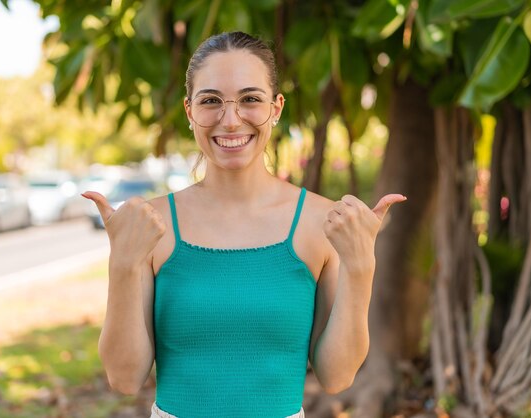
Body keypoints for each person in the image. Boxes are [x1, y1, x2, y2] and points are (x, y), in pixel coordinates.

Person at [82, 31, 406, 418]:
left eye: (250, 99)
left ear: (277, 107)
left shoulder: (321, 223)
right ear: (189, 111)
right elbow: (124, 377)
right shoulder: (153, 225)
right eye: (211, 101)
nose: (231, 120)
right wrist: (122, 262)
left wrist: (360, 266)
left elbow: (336, 377)